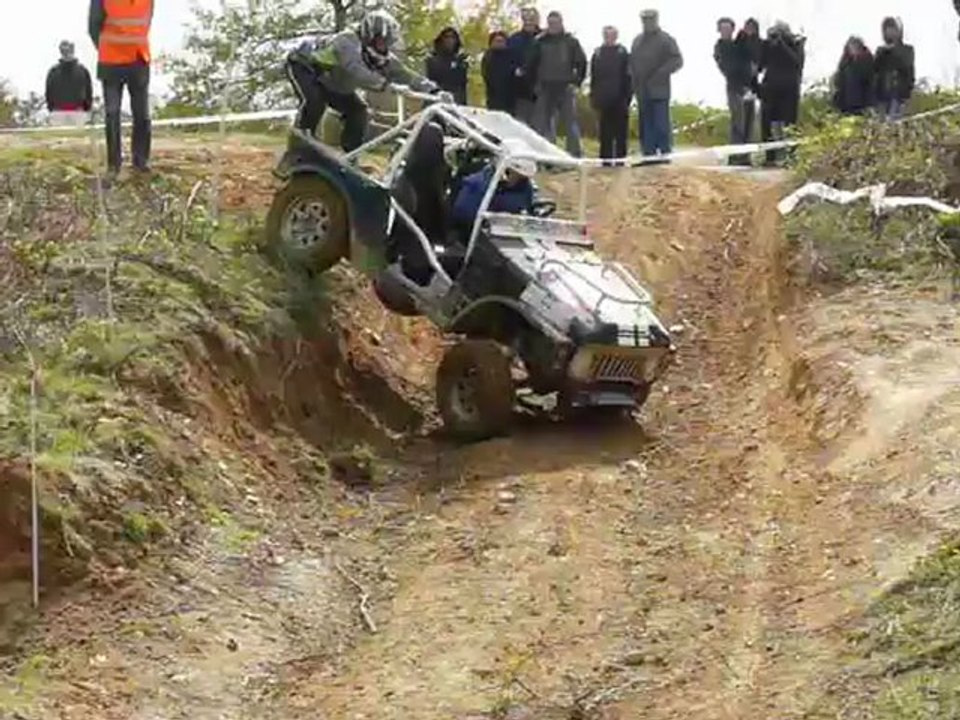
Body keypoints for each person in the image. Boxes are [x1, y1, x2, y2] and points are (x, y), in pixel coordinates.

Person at [285, 10, 440, 151]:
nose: (384, 46)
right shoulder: (346, 40)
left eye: (388, 42)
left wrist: (433, 89)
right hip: (305, 66)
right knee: (315, 102)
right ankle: (298, 147)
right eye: (381, 40)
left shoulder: (383, 57)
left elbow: (405, 74)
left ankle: (351, 155)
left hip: (332, 81)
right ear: (369, 35)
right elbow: (355, 69)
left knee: (358, 111)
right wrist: (386, 85)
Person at [88, 0, 153, 176]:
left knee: (142, 114)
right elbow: (93, 26)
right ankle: (113, 165)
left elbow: (147, 20)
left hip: (139, 60)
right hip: (111, 62)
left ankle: (141, 161)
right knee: (112, 113)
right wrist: (106, 48)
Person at [529, 11, 587, 157]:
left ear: (561, 23)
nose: (553, 26)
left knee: (570, 123)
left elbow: (581, 62)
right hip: (545, 87)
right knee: (543, 124)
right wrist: (534, 85)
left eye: (556, 23)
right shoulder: (539, 41)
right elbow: (531, 64)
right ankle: (547, 156)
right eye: (550, 23)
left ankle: (575, 155)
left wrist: (576, 82)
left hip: (565, 87)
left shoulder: (571, 41)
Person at [629, 9, 683, 158]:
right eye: (644, 20)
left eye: (650, 19)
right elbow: (631, 64)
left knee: (661, 125)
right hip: (642, 90)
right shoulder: (637, 41)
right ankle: (648, 154)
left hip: (659, 90)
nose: (647, 22)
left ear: (656, 20)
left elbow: (677, 60)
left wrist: (661, 72)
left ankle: (665, 154)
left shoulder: (666, 39)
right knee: (646, 125)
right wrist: (633, 83)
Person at [451, 151, 536, 232]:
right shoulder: (478, 184)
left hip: (510, 234)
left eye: (522, 177)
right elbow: (464, 216)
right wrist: (495, 220)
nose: (518, 180)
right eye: (517, 175)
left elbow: (527, 211)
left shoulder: (525, 188)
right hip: (473, 235)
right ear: (504, 170)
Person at [759, 21, 805, 166]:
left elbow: (797, 63)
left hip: (789, 90)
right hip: (770, 88)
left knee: (789, 124)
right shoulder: (770, 45)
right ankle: (769, 157)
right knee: (766, 123)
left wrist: (782, 44)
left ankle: (791, 157)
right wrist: (766, 44)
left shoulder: (796, 44)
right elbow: (761, 64)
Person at [714, 18, 754, 164]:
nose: (726, 32)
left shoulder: (739, 44)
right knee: (738, 123)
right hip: (734, 88)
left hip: (749, 86)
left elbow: (751, 57)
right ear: (719, 31)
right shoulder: (720, 47)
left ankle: (746, 156)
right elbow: (728, 67)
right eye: (723, 29)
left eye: (728, 29)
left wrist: (746, 38)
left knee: (749, 122)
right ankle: (735, 157)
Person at [590, 26, 632, 165]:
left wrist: (628, 96)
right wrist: (594, 96)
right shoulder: (598, 53)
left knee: (620, 132)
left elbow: (628, 76)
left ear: (616, 36)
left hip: (620, 97)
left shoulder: (623, 52)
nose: (609, 37)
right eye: (606, 35)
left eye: (611, 35)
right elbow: (594, 77)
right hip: (603, 98)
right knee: (605, 132)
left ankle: (620, 161)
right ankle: (605, 161)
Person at [874, 17, 914, 121]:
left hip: (899, 96)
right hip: (883, 95)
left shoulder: (907, 49)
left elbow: (908, 69)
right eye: (887, 30)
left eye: (893, 29)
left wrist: (894, 49)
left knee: (896, 123)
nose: (890, 32)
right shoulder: (880, 51)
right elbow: (875, 71)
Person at [45, 40, 93, 127]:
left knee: (79, 139)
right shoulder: (53, 72)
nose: (67, 53)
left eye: (68, 50)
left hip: (78, 112)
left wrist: (86, 109)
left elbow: (88, 92)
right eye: (64, 50)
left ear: (72, 50)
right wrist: (52, 110)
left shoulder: (82, 71)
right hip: (58, 113)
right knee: (57, 139)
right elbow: (48, 93)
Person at [508, 7, 542, 126]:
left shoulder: (546, 38)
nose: (529, 21)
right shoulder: (514, 39)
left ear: (537, 20)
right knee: (521, 127)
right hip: (521, 92)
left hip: (544, 92)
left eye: (532, 18)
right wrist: (515, 71)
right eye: (526, 18)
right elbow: (508, 62)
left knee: (543, 129)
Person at [832, 36, 875, 116]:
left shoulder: (867, 61)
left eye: (856, 47)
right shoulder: (845, 62)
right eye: (852, 47)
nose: (854, 50)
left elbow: (871, 83)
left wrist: (870, 104)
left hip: (862, 102)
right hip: (846, 103)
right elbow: (839, 82)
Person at [426, 27, 469, 105]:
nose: (449, 40)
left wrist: (461, 65)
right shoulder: (432, 60)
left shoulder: (461, 61)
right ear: (441, 40)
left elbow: (461, 85)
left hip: (456, 101)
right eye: (446, 37)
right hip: (436, 100)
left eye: (453, 37)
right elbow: (433, 78)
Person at [483, 31, 515, 112]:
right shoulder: (488, 57)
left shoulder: (511, 56)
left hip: (510, 97)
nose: (499, 43)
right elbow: (486, 75)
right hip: (493, 96)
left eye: (501, 41)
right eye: (496, 41)